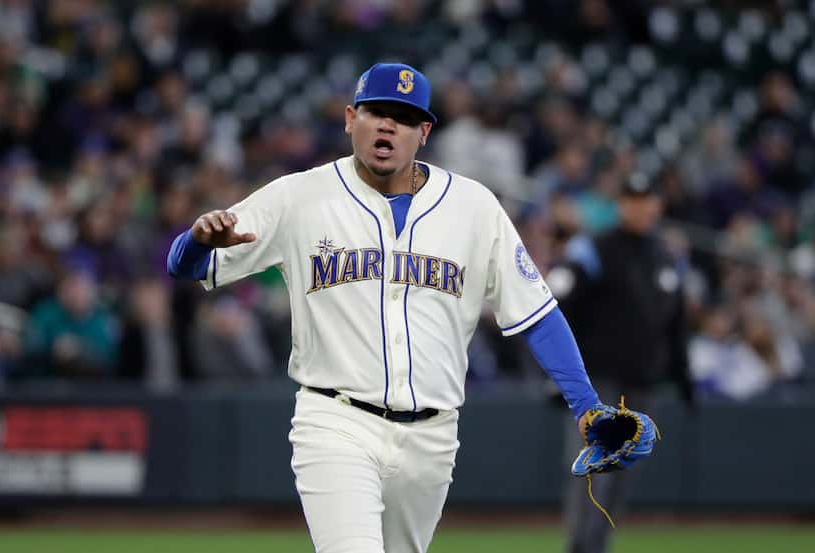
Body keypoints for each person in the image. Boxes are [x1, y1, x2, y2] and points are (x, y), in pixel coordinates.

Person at [167, 62, 604, 553]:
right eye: (377, 112)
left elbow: (537, 313)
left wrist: (586, 406)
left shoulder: (474, 207)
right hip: (336, 420)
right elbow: (186, 267)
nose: (388, 125)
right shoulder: (299, 196)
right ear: (352, 118)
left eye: (403, 116)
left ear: (423, 132)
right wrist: (196, 242)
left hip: (433, 438)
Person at [546, 172, 693, 553]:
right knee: (595, 472)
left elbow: (675, 326)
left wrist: (684, 380)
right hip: (599, 382)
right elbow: (561, 308)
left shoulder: (664, 257)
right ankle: (581, 548)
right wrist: (560, 376)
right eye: (632, 199)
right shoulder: (594, 249)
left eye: (647, 200)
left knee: (623, 473)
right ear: (621, 205)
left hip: (643, 381)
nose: (641, 207)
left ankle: (597, 546)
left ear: (657, 205)